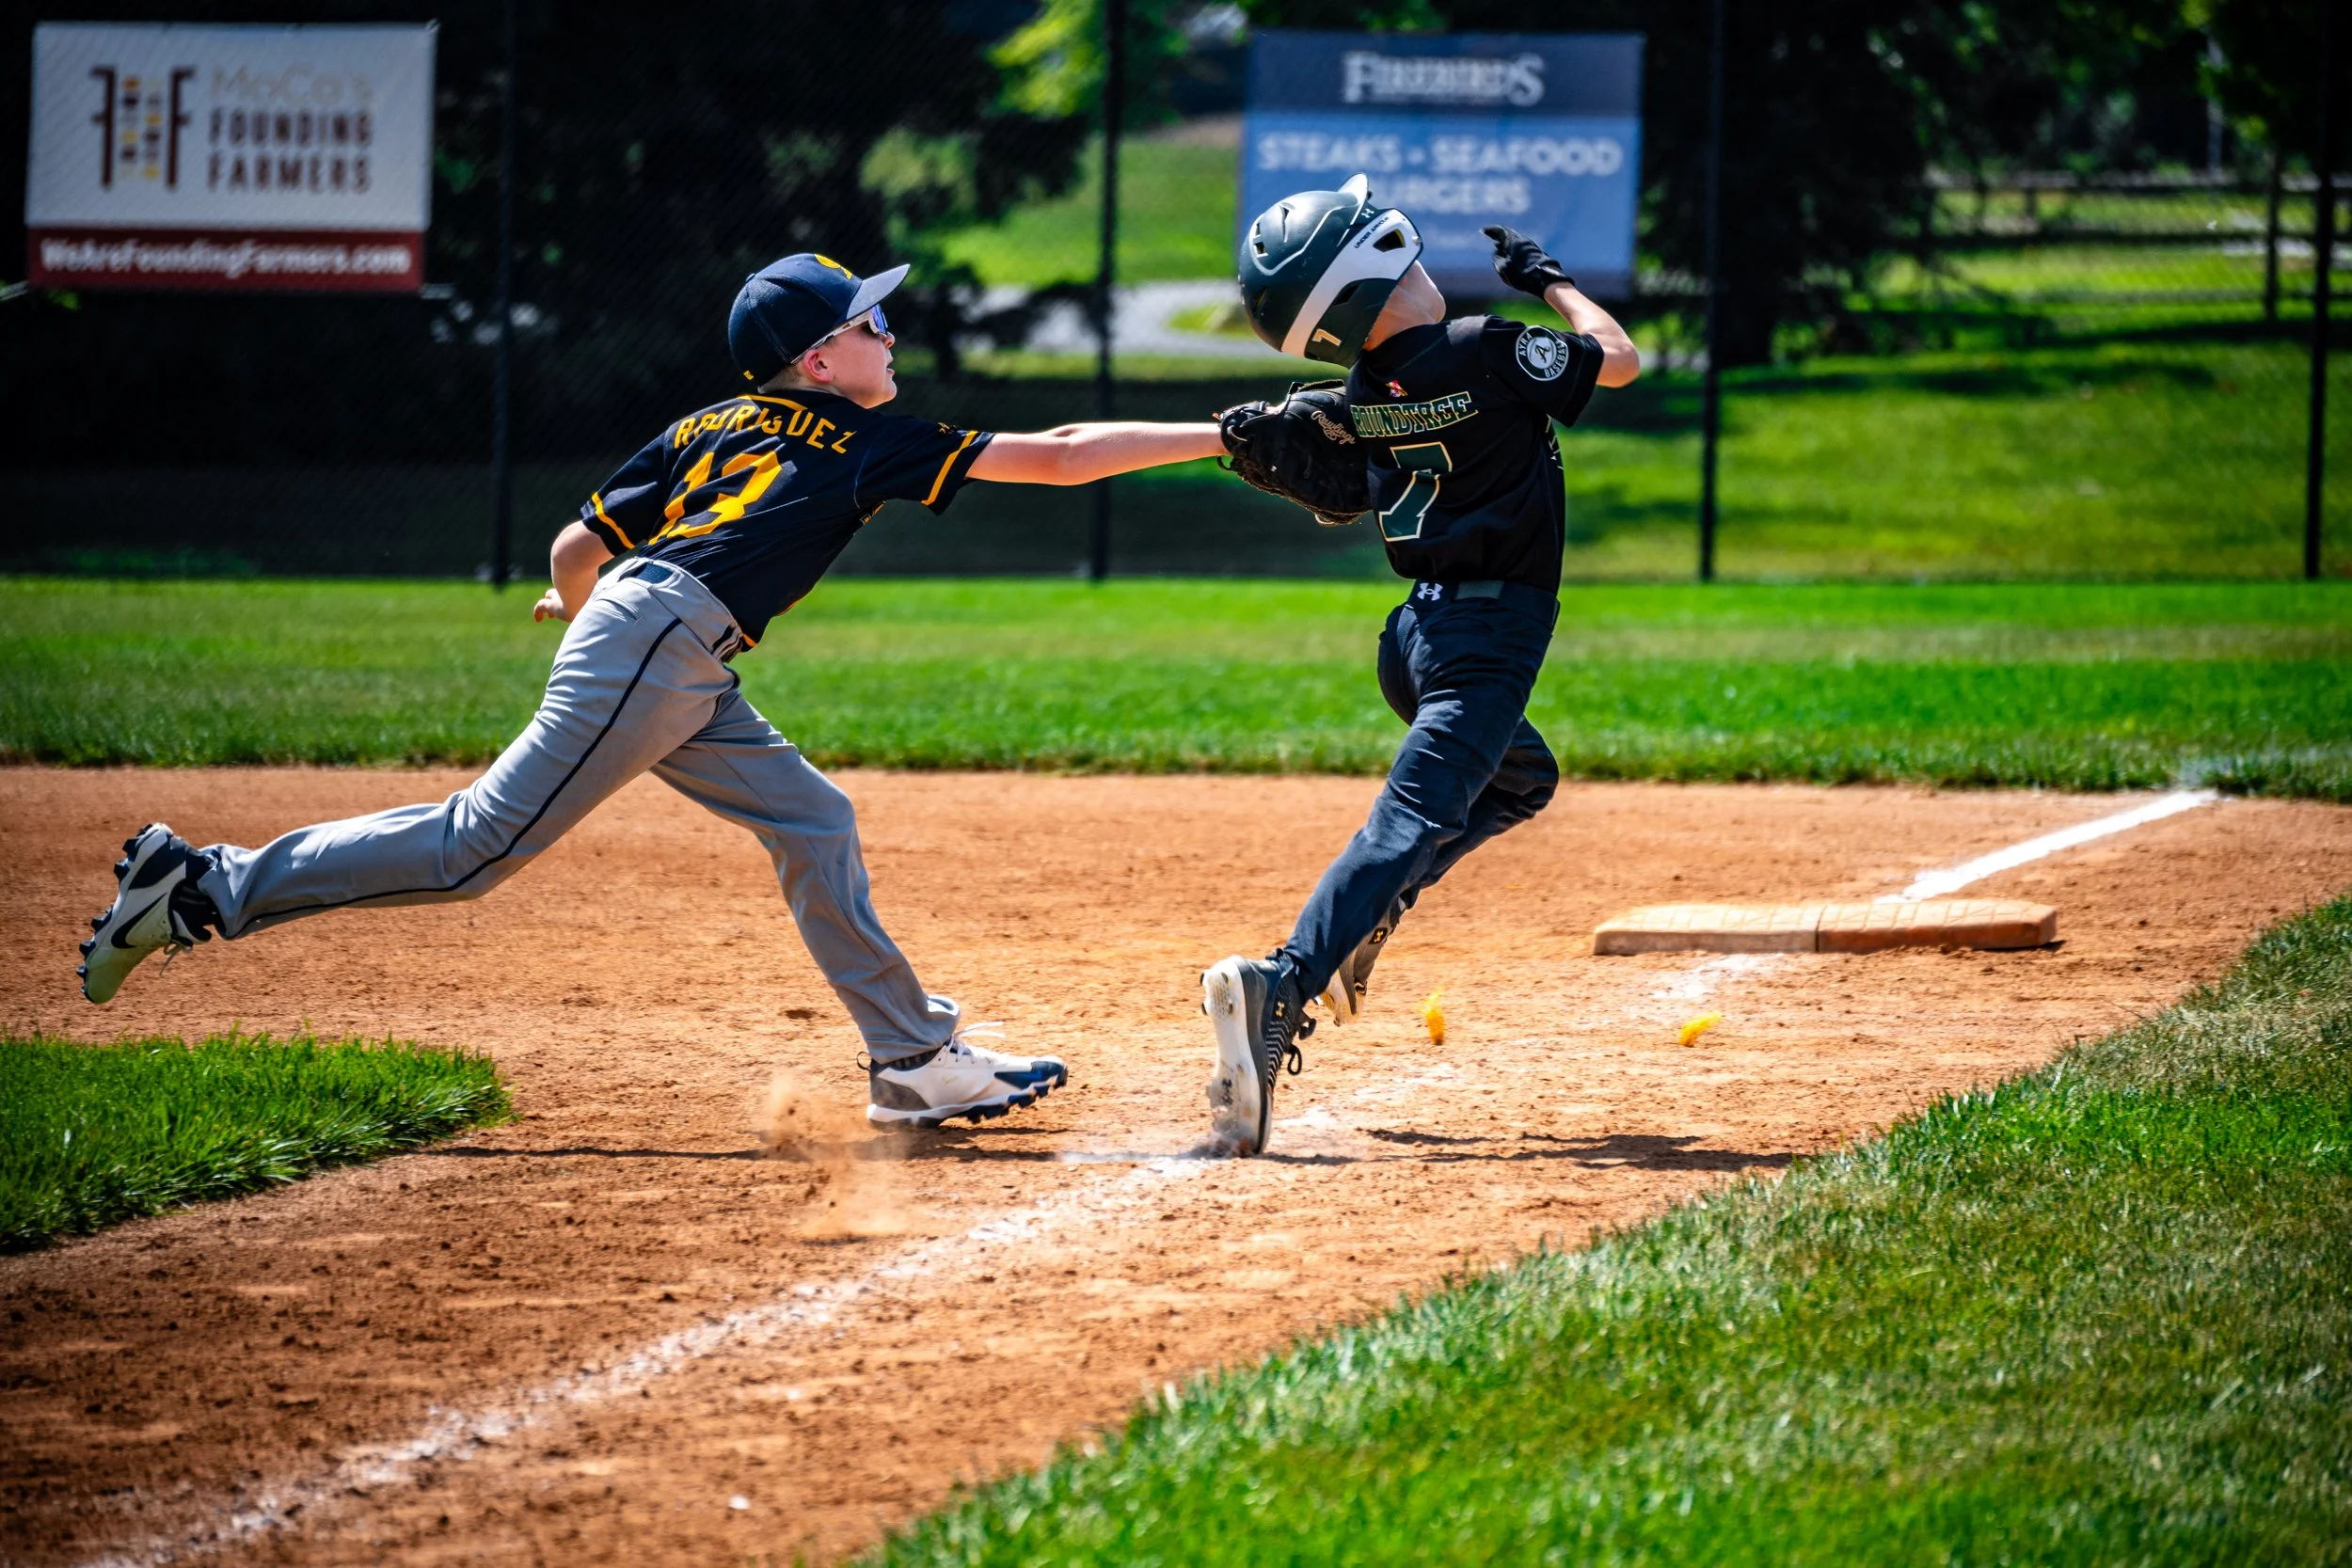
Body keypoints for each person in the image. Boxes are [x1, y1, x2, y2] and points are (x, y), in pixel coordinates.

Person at [78, 252, 1228, 1130]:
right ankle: (204, 886)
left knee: (813, 817)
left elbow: (578, 547)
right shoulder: (872, 441)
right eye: (868, 319)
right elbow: (1067, 449)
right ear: (821, 361)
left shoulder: (707, 422)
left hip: (666, 642)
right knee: (473, 849)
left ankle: (912, 1060)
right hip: (665, 641)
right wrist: (1221, 434)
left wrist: (582, 612)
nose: (890, 330)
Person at [1200, 178, 1641, 1156]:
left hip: (1414, 641)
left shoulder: (1361, 395)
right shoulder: (1486, 345)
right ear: (1375, 259)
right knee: (1407, 822)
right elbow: (1617, 361)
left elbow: (1350, 486)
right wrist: (1552, 281)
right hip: (1482, 647)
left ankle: (1375, 909)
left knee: (1522, 777)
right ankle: (1281, 982)